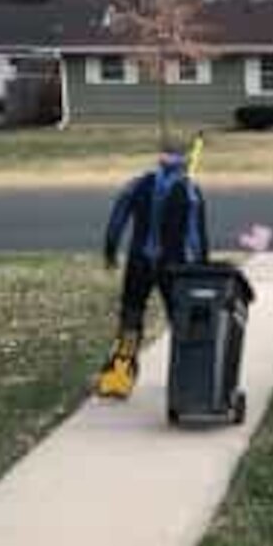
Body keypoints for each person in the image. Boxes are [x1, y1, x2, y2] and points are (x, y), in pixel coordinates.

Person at [95, 136, 209, 399]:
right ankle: (186, 377)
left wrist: (111, 250)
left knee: (131, 319)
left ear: (160, 160)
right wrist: (201, 267)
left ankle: (119, 378)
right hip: (174, 266)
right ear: (185, 162)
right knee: (180, 320)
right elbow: (195, 236)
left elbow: (118, 219)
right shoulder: (190, 191)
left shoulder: (137, 185)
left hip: (139, 262)